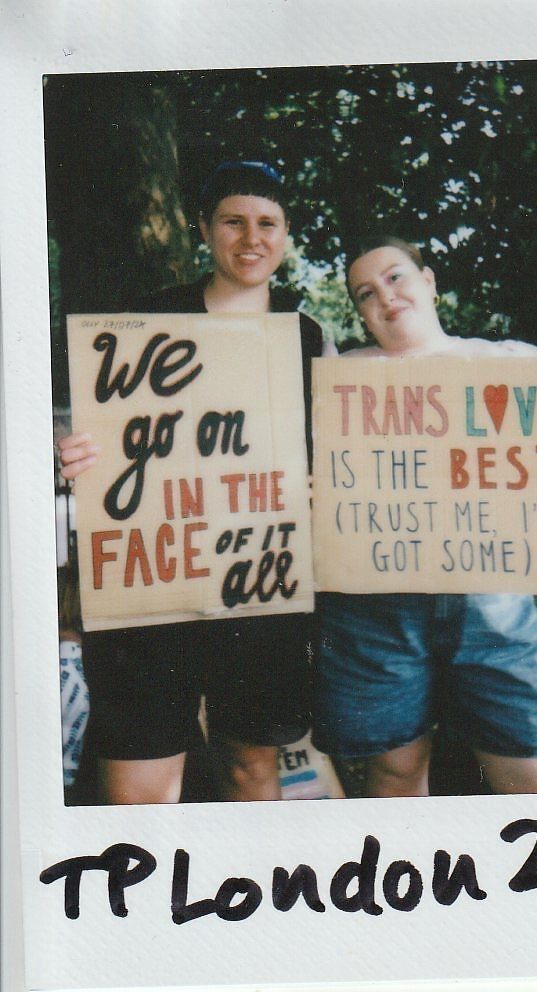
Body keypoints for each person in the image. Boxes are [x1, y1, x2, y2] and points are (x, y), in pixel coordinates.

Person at [59, 160, 323, 804]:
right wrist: (76, 456)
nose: (251, 238)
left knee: (252, 768)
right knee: (140, 782)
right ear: (204, 228)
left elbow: (319, 455)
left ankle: (246, 894)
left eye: (268, 223)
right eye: (233, 221)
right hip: (156, 576)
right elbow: (114, 439)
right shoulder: (147, 322)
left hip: (258, 581)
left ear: (286, 236)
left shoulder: (305, 335)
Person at [312, 234, 537, 798]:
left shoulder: (514, 363)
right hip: (377, 606)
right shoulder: (340, 377)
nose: (384, 296)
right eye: (365, 292)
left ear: (428, 281)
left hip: (492, 599)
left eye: (395, 277)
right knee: (398, 772)